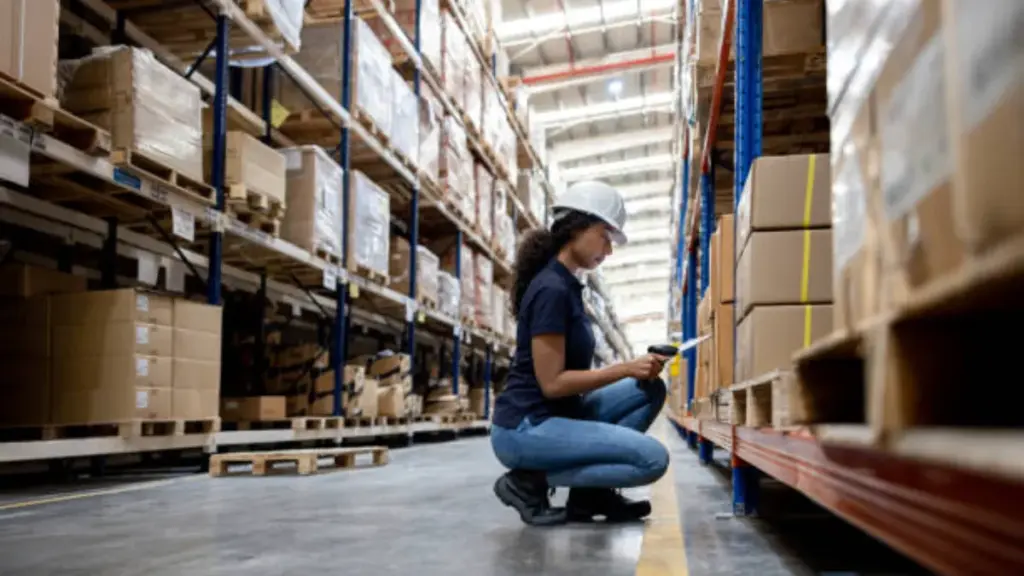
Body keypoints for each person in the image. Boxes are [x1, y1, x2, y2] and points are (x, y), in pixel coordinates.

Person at [490, 180, 671, 527]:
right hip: (525, 427)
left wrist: (636, 372)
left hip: (556, 417)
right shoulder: (551, 289)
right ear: (577, 226)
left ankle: (591, 496)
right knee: (652, 460)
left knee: (649, 390)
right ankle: (527, 483)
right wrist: (625, 368)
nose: (609, 249)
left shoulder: (570, 286)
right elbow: (553, 385)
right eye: (605, 235)